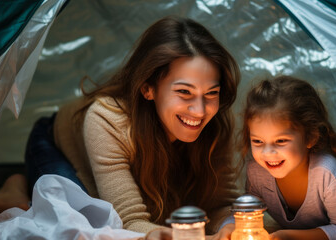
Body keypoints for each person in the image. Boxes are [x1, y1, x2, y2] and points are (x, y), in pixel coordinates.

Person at [24, 16, 241, 239]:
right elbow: (128, 221)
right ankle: (10, 195)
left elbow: (223, 203)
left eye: (211, 93)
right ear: (148, 89)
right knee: (77, 220)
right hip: (56, 145)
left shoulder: (216, 122)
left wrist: (230, 225)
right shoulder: (108, 119)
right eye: (184, 92)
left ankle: (17, 190)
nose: (199, 111)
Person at [234, 76, 336, 240]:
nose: (267, 153)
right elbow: (246, 215)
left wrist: (288, 236)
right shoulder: (256, 172)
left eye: (281, 141)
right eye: (258, 141)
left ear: (310, 137)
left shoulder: (326, 173)